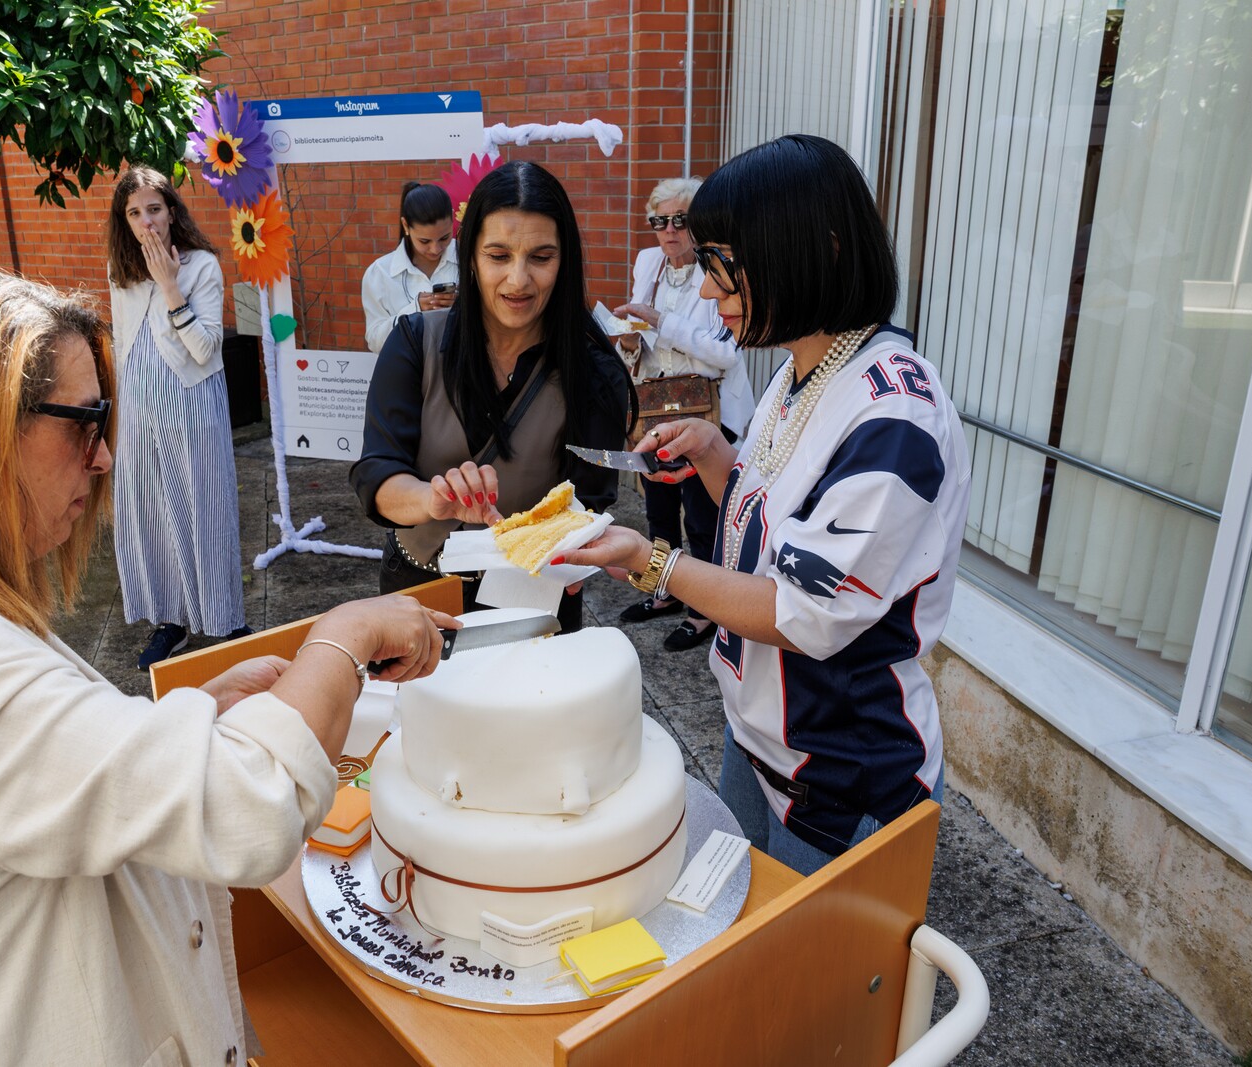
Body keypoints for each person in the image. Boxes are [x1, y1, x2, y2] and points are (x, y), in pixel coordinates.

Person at [0, 264, 459, 1066]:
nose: (103, 460)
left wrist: (192, 718)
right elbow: (246, 807)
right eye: (86, 421)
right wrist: (345, 634)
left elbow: (49, 779)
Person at [559, 135, 971, 876]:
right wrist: (717, 453)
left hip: (840, 772)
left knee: (801, 983)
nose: (711, 291)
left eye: (723, 266)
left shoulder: (895, 414)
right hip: (757, 735)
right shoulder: (798, 371)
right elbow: (772, 533)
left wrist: (653, 561)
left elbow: (800, 612)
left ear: (814, 251)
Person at [351, 160, 635, 634]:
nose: (518, 281)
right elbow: (377, 472)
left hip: (532, 589)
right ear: (471, 257)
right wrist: (432, 499)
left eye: (541, 257)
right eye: (498, 255)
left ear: (565, 261)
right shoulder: (415, 343)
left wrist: (577, 546)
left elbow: (591, 496)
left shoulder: (592, 370)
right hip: (421, 584)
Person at [107, 165, 249, 670]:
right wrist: (122, 415)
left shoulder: (202, 266)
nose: (146, 221)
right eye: (134, 213)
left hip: (191, 407)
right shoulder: (119, 272)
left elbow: (207, 347)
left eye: (154, 209)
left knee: (203, 508)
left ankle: (227, 619)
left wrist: (171, 286)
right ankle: (170, 620)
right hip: (141, 413)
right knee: (152, 516)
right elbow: (123, 343)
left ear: (171, 211)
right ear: (124, 221)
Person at [612, 176, 756, 652]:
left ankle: (704, 610)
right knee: (657, 508)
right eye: (660, 221)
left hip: (706, 413)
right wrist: (630, 343)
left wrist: (658, 323)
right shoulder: (648, 263)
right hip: (656, 409)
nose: (669, 231)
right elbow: (644, 344)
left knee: (701, 514)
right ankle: (665, 592)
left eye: (680, 220)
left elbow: (724, 354)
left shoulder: (717, 272)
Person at [361, 181, 459, 354]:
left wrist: (463, 306)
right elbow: (375, 343)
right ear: (406, 226)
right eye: (425, 241)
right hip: (408, 377)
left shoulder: (471, 259)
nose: (435, 249)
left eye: (444, 237)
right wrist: (414, 311)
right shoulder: (380, 273)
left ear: (452, 218)